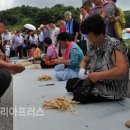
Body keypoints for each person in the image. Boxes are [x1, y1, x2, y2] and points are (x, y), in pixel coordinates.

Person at [66, 14, 129, 104]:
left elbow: (122, 69)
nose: (91, 40)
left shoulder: (114, 45)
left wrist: (97, 75)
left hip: (111, 86)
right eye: (88, 37)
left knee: (79, 95)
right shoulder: (93, 46)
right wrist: (82, 69)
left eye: (91, 36)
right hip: (95, 80)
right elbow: (85, 60)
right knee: (70, 84)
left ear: (100, 32)